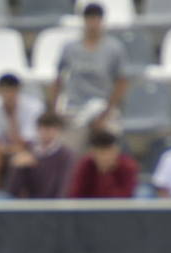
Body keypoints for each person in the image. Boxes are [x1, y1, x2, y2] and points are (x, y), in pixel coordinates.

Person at [50, 3, 126, 147]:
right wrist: (54, 109)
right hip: (75, 109)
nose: (93, 24)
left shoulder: (114, 48)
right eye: (89, 19)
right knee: (68, 151)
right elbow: (58, 79)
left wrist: (107, 112)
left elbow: (121, 82)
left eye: (96, 19)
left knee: (110, 146)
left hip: (103, 108)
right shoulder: (70, 48)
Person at [0, 72, 44, 194]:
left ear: (18, 90)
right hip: (2, 151)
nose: (8, 95)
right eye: (5, 91)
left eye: (11, 91)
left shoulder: (34, 107)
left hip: (29, 150)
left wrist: (15, 152)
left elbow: (28, 142)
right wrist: (6, 151)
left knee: (22, 161)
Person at [5, 112, 74, 199]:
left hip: (52, 204)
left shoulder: (65, 155)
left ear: (57, 130)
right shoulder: (27, 149)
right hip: (28, 203)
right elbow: (13, 190)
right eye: (43, 129)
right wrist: (16, 167)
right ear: (38, 129)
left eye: (50, 129)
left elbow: (63, 186)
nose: (46, 133)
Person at [67, 129, 137, 198]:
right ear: (93, 152)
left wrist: (106, 174)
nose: (105, 157)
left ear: (117, 151)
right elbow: (75, 195)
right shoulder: (85, 165)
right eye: (101, 153)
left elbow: (125, 197)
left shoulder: (127, 166)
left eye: (110, 152)